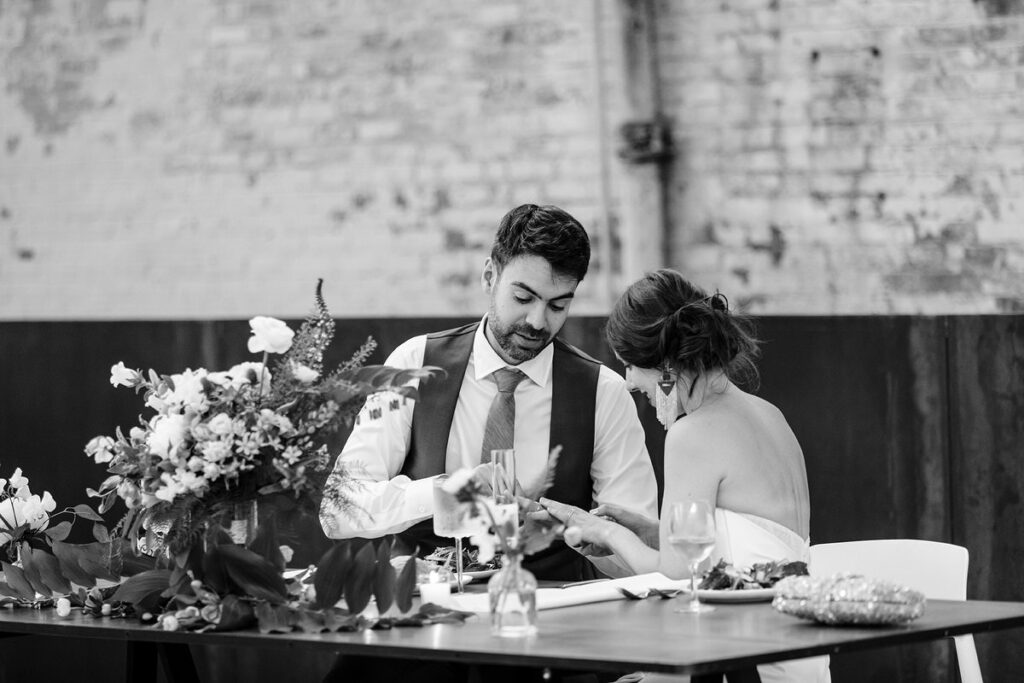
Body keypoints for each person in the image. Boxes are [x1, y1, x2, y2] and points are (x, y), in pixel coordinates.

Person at [319, 203, 658, 583]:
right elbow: (338, 511)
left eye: (558, 305)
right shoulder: (413, 364)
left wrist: (589, 536)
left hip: (556, 619)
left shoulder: (604, 392)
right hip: (425, 613)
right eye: (523, 298)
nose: (537, 321)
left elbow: (638, 558)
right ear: (488, 276)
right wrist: (447, 492)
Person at [540, 269, 830, 683]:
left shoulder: (691, 434)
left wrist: (605, 533)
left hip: (749, 663)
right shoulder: (769, 414)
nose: (627, 382)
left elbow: (677, 577)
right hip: (800, 656)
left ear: (664, 367)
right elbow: (745, 550)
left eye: (629, 366)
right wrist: (648, 531)